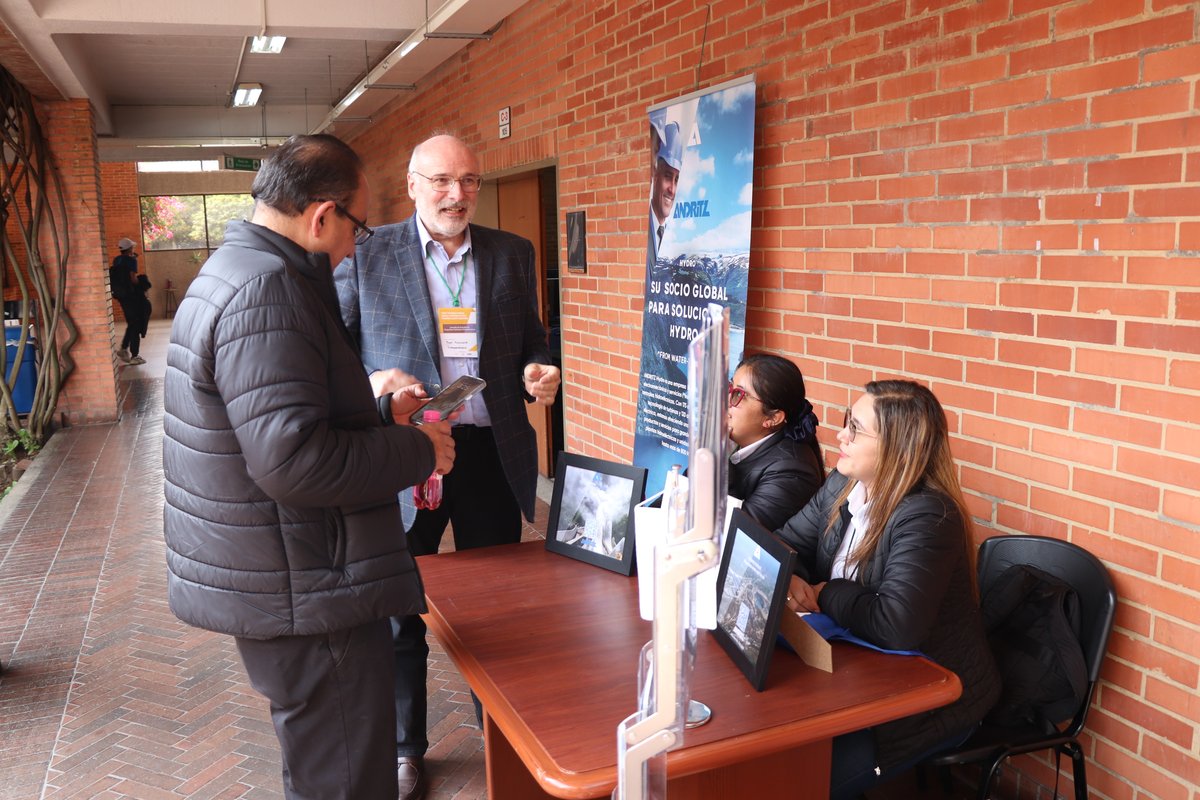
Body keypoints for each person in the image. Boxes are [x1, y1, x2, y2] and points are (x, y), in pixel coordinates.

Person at [162, 134, 456, 800]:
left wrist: (378, 416)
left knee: (326, 766)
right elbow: (295, 462)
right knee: (347, 776)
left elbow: (281, 427)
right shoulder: (268, 292)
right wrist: (417, 451)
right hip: (307, 587)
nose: (358, 244)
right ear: (322, 216)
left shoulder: (239, 272)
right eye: (357, 224)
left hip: (292, 573)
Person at [335, 132, 560, 800]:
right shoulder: (368, 256)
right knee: (400, 605)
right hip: (407, 456)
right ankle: (408, 749)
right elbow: (338, 354)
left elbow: (535, 341)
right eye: (440, 180)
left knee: (498, 605)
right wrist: (374, 383)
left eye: (468, 181)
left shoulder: (511, 253)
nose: (456, 194)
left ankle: (504, 727)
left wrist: (540, 371)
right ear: (411, 184)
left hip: (490, 453)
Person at [776, 380, 1000, 799]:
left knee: (795, 783)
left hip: (926, 702)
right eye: (846, 421)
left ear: (897, 447)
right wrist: (791, 575)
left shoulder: (929, 515)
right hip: (855, 673)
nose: (840, 434)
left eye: (855, 428)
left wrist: (824, 593)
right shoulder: (843, 485)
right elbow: (784, 540)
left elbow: (896, 624)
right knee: (771, 751)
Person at [727, 353, 824, 531]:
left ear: (773, 418)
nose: (727, 401)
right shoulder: (741, 441)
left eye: (739, 394)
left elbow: (737, 533)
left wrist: (714, 452)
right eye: (730, 388)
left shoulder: (792, 471)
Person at [647, 120, 681, 273]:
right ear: (655, 174)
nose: (672, 190)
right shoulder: (644, 230)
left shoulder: (675, 235)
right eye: (668, 176)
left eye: (676, 179)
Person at [110, 237, 147, 365]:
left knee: (132, 322)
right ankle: (134, 355)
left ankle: (124, 349)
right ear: (130, 248)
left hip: (121, 296)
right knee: (135, 323)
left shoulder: (117, 260)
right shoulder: (131, 260)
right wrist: (142, 286)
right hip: (131, 296)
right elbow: (133, 278)